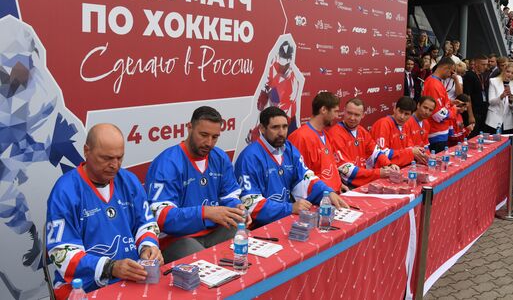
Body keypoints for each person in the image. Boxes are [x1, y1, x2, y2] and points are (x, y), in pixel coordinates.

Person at [46, 124, 162, 298]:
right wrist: (110, 267)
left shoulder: (129, 180)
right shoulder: (65, 191)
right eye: (106, 158)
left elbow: (145, 223)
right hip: (82, 286)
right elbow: (62, 253)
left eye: (119, 158)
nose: (114, 165)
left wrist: (148, 247)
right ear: (87, 151)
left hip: (131, 276)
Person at [145, 106, 247, 262]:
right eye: (204, 135)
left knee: (241, 233)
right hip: (178, 239)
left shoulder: (219, 157)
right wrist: (204, 213)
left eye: (215, 137)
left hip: (213, 232)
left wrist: (236, 208)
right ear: (189, 128)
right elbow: (160, 217)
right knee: (204, 260)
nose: (209, 143)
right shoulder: (168, 163)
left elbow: (230, 195)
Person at [234, 107, 348, 226]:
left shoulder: (289, 149)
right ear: (262, 128)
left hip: (286, 218)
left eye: (284, 126)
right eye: (275, 127)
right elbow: (251, 205)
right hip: (259, 227)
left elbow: (305, 179)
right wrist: (290, 208)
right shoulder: (249, 157)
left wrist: (327, 193)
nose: (281, 132)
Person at [328, 98, 400, 188]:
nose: (352, 118)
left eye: (357, 115)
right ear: (344, 111)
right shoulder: (335, 133)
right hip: (346, 186)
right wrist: (379, 173)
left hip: (363, 181)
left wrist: (389, 164)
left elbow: (375, 152)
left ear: (363, 115)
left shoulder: (362, 131)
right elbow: (347, 170)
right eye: (349, 113)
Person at [288, 92, 345, 192]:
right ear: (323, 110)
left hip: (334, 195)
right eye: (335, 111)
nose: (337, 116)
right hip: (318, 200)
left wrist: (339, 184)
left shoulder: (326, 135)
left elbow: (329, 168)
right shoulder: (300, 137)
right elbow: (299, 176)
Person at [371, 96, 427, 166]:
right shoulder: (383, 124)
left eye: (406, 114)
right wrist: (410, 152)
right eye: (400, 112)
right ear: (394, 109)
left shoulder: (405, 125)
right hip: (383, 170)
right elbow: (381, 153)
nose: (402, 117)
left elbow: (409, 147)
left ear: (411, 115)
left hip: (400, 167)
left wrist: (418, 152)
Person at [422, 57, 456, 152]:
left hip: (439, 133)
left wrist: (451, 103)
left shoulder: (435, 81)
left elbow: (440, 104)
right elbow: (438, 114)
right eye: (452, 72)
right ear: (446, 67)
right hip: (436, 133)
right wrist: (454, 111)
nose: (451, 75)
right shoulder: (433, 84)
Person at [485, 62, 513, 134]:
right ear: (504, 71)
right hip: (493, 118)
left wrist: (511, 100)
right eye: (508, 71)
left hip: (508, 120)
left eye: (512, 73)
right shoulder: (493, 81)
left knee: (506, 143)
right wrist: (501, 96)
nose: (510, 74)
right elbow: (491, 101)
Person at [463, 55, 489, 137]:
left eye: (486, 64)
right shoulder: (469, 75)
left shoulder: (481, 75)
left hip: (481, 112)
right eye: (483, 64)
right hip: (473, 112)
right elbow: (468, 96)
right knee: (472, 136)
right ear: (476, 64)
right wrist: (470, 115)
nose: (485, 67)